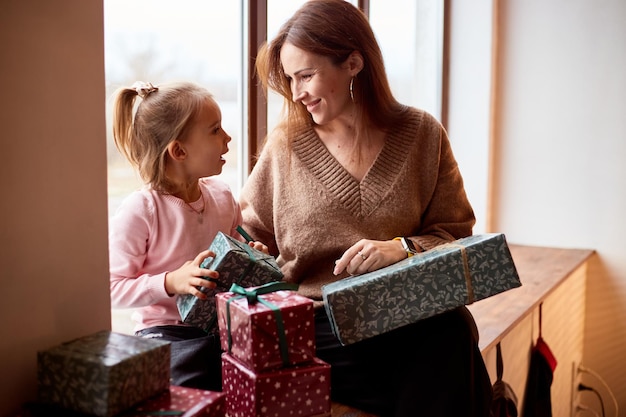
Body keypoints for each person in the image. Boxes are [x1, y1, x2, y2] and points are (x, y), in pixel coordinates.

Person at [239, 1, 493, 415]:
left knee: (452, 330)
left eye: (306, 75)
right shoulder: (284, 146)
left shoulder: (422, 134)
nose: (297, 91)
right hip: (320, 325)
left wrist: (402, 248)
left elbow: (455, 235)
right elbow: (249, 237)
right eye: (290, 78)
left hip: (405, 313)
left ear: (353, 63)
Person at [109, 81, 267, 391]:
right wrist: (170, 282)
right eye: (215, 130)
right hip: (166, 333)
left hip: (224, 325)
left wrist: (251, 255)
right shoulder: (141, 210)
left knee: (258, 381)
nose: (228, 138)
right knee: (188, 392)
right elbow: (111, 288)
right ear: (179, 151)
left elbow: (233, 245)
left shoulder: (222, 195)